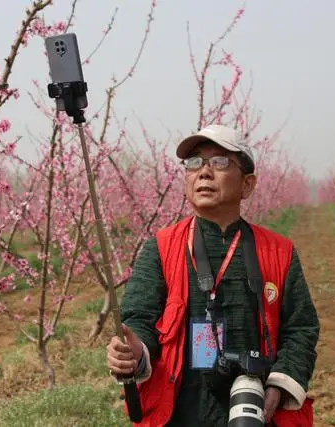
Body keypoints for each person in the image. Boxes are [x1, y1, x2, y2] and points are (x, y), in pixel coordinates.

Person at [106, 124, 320, 426]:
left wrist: (278, 386)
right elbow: (140, 318)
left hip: (256, 408)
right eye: (194, 163)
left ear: (247, 185)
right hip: (183, 408)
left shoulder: (279, 252)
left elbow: (301, 327)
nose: (204, 172)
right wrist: (134, 351)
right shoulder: (162, 246)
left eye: (219, 162)